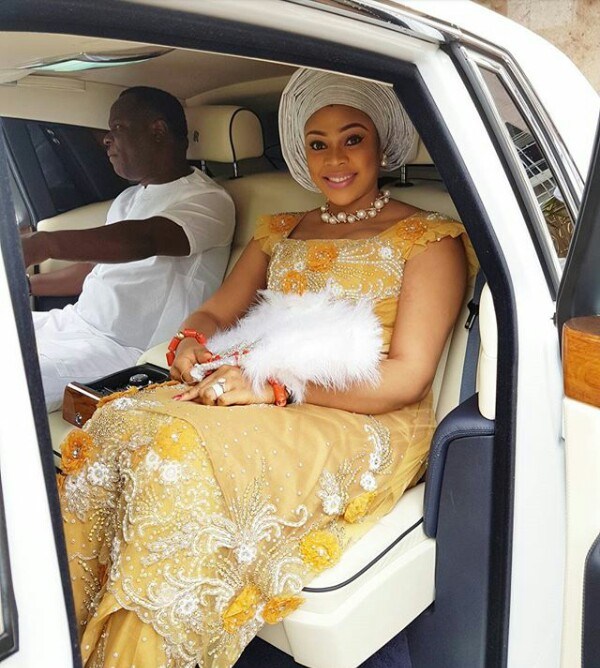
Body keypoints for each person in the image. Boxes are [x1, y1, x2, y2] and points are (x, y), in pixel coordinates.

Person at [57, 69, 477, 667]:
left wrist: (273, 385)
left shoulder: (428, 238)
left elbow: (407, 377)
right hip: (261, 388)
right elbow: (217, 309)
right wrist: (190, 339)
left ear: (382, 143)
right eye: (317, 143)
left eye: (352, 139)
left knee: (175, 449)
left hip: (362, 409)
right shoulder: (280, 229)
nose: (334, 158)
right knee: (115, 424)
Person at [22, 86, 235, 410]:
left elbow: (145, 239)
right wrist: (23, 284)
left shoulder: (208, 200)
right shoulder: (128, 199)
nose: (106, 139)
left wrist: (45, 244)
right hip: (74, 324)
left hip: (124, 353)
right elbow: (93, 269)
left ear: (158, 131)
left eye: (118, 128)